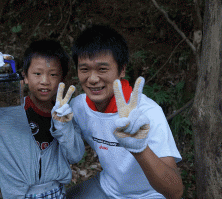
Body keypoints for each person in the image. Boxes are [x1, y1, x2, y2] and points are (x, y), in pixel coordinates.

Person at [0, 39, 85, 199]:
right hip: (18, 195)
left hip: (57, 193)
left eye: (53, 74)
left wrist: (64, 127)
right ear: (24, 76)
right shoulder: (5, 112)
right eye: (37, 73)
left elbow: (75, 156)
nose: (45, 81)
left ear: (62, 79)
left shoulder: (66, 114)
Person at [67, 25, 183, 199]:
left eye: (102, 69)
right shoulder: (78, 107)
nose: (92, 79)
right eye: (84, 69)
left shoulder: (148, 113)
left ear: (122, 70)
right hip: (108, 187)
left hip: (149, 195)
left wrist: (140, 149)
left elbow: (175, 191)